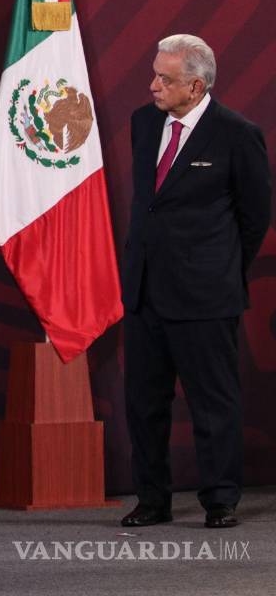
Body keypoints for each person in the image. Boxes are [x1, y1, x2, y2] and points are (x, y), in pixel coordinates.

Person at [119, 34, 271, 530]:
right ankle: (152, 500)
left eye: (165, 78)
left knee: (213, 403)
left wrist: (220, 270)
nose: (153, 85)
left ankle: (221, 500)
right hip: (145, 292)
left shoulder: (236, 133)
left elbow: (254, 218)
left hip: (205, 295)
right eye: (155, 73)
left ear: (196, 85)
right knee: (144, 404)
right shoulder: (144, 123)